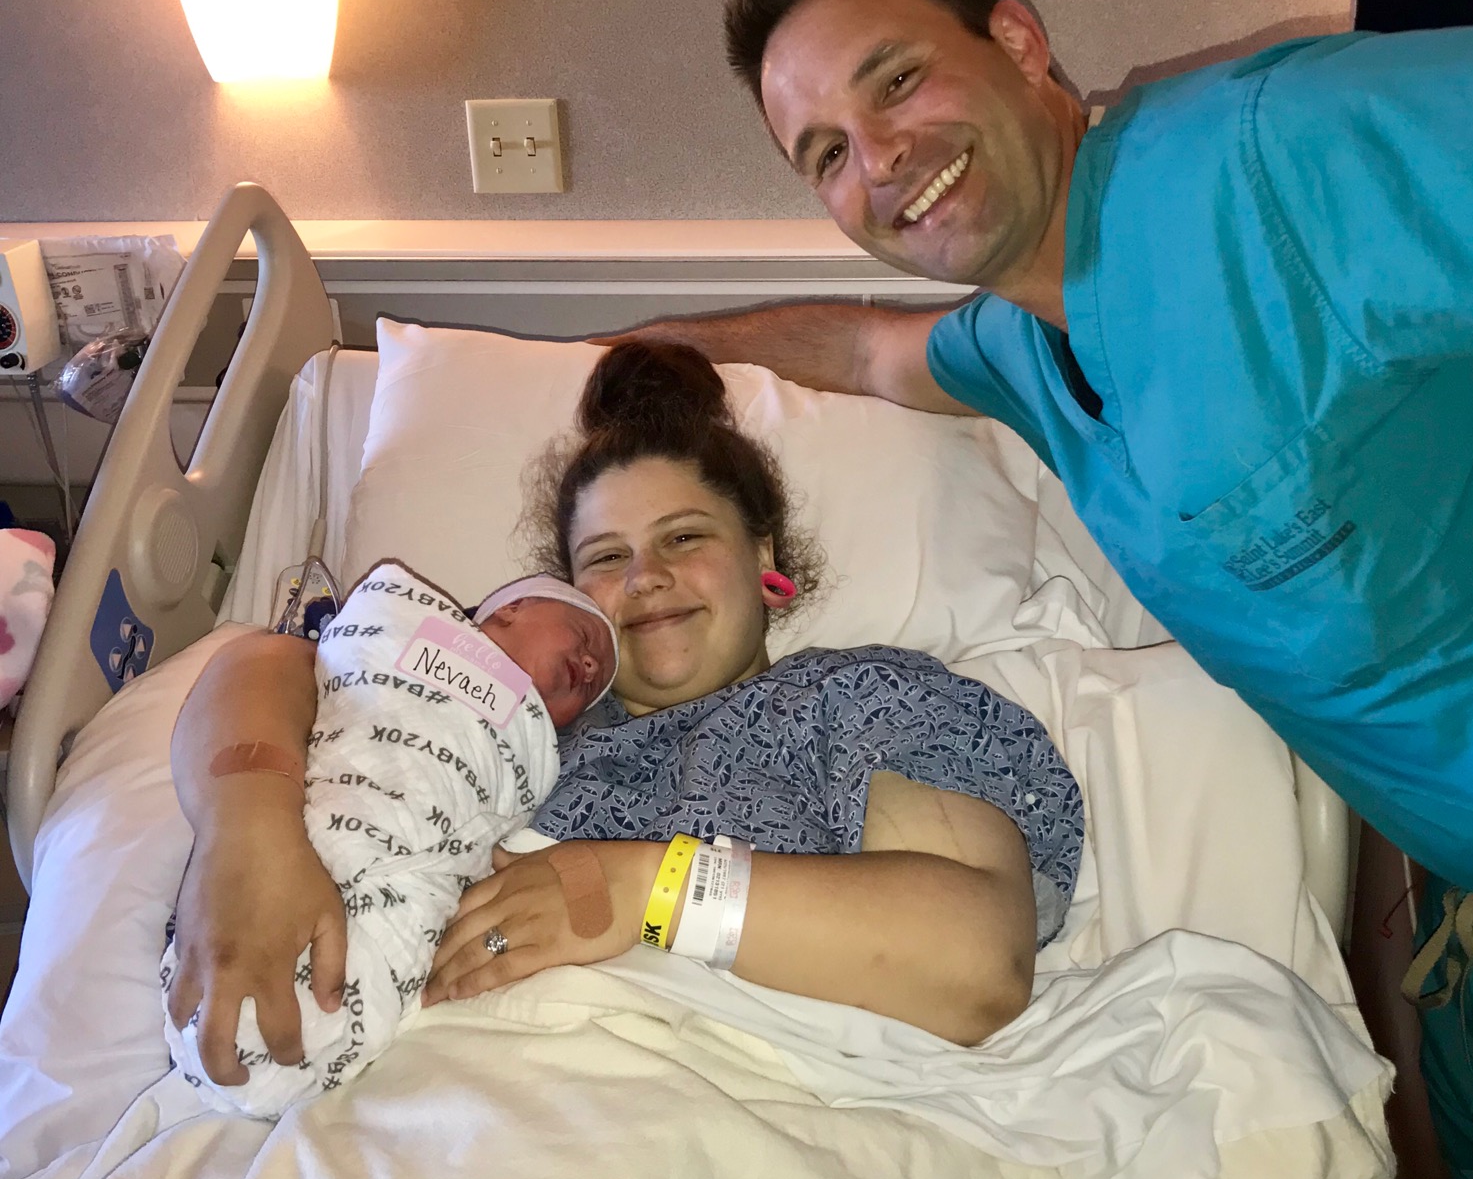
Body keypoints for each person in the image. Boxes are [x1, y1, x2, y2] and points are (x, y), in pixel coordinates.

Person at [604, 0, 1473, 1179]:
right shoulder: (1024, 341)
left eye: (898, 80)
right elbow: (864, 351)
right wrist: (626, 354)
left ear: (1017, 43)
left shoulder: (1261, 161)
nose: (880, 159)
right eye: (825, 155)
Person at [165, 340, 1085, 1099]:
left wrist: (643, 893)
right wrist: (245, 835)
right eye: (605, 558)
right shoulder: (504, 730)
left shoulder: (856, 701)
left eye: (685, 538)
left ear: (764, 558)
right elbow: (266, 661)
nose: (644, 575)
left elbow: (976, 964)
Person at [162, 565, 617, 1115]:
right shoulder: (401, 624)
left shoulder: (541, 743)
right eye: (585, 637)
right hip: (320, 821)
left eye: (595, 687)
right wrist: (246, 832)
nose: (590, 666)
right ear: (512, 608)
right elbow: (288, 665)